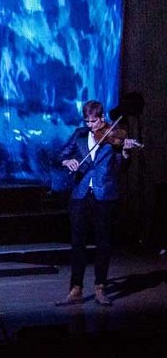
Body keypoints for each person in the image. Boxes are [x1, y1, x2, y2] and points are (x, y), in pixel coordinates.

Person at [56, 100, 140, 306]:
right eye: (87, 121)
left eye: (93, 121)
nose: (90, 125)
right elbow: (60, 155)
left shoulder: (114, 134)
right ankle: (76, 289)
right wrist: (67, 161)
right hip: (81, 194)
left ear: (102, 118)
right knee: (78, 243)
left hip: (105, 195)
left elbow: (121, 167)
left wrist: (125, 152)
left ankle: (100, 287)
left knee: (103, 243)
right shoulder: (79, 134)